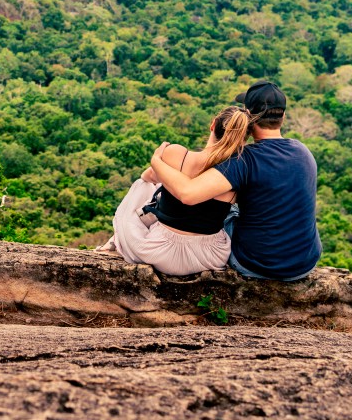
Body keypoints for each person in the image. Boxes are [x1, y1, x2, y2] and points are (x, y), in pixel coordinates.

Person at [149, 80, 321, 281]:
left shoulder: (243, 160)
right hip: (304, 263)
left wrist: (156, 162)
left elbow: (188, 193)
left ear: (248, 116)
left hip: (256, 265)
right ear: (282, 115)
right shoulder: (303, 152)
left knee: (222, 208)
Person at [96, 106, 251, 276]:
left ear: (213, 124)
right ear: (243, 138)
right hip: (209, 257)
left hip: (160, 252)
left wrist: (158, 162)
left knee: (145, 185)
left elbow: (148, 177)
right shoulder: (240, 171)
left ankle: (116, 240)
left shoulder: (177, 154)